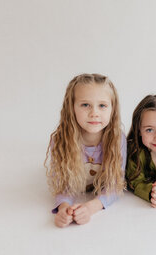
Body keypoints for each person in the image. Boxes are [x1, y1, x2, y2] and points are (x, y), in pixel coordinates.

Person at [45, 73, 126, 227]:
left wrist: (90, 207)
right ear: (72, 108)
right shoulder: (62, 140)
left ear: (112, 109)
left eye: (102, 105)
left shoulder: (117, 139)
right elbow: (64, 185)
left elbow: (115, 184)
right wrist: (64, 209)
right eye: (85, 105)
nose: (94, 113)